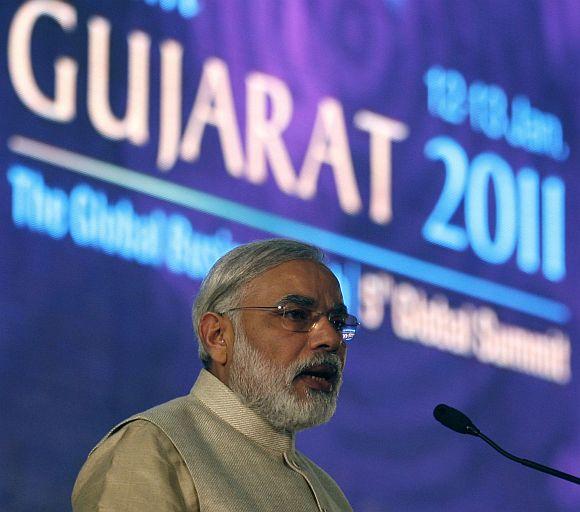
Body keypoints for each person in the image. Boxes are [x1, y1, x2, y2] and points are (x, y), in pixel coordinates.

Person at [72, 238, 358, 511]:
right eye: (296, 314)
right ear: (218, 336)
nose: (330, 339)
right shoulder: (150, 450)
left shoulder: (328, 492)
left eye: (337, 322)